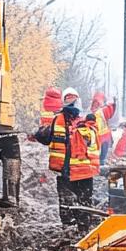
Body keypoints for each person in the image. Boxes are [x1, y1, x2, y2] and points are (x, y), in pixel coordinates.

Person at [34, 87, 100, 228]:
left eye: (72, 98)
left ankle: (77, 230)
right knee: (76, 204)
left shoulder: (77, 122)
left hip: (77, 172)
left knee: (75, 204)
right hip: (73, 172)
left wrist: (38, 132)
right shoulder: (83, 123)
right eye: (69, 98)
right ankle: (77, 231)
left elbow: (44, 137)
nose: (71, 102)